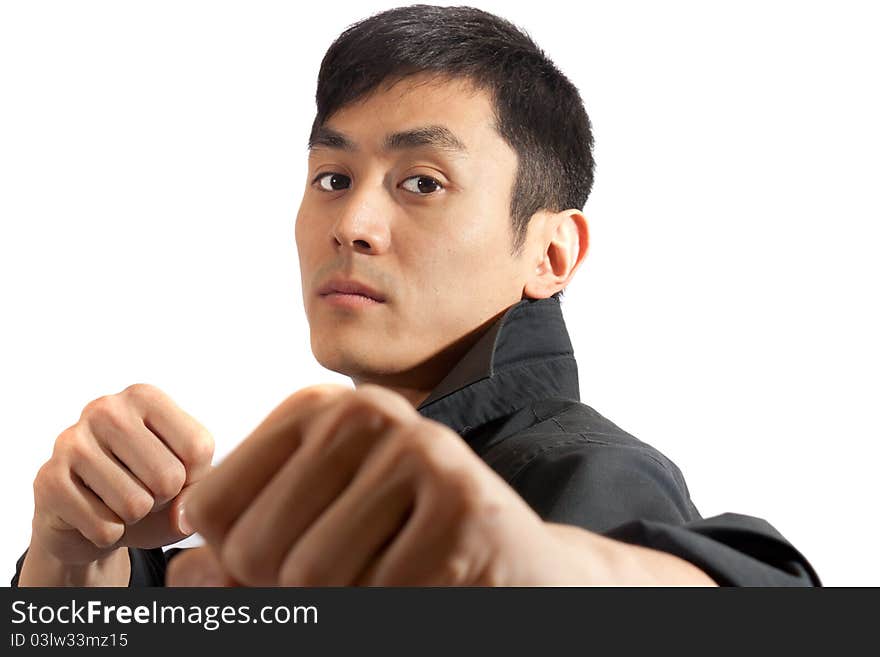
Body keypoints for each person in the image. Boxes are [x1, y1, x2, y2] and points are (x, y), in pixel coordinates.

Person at [12, 4, 820, 587]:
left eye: (422, 183)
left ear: (551, 252)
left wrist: (530, 572)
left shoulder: (585, 474)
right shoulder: (313, 511)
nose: (353, 223)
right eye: (332, 177)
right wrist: (74, 555)